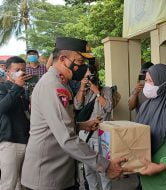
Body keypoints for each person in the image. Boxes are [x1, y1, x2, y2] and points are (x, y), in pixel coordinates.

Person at [21, 37, 127, 190]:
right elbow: (67, 138)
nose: (82, 67)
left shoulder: (60, 82)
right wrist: (106, 166)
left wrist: (82, 125)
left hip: (58, 174)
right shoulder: (53, 85)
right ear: (63, 59)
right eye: (79, 62)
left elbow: (56, 125)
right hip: (47, 176)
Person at [75, 64, 113, 190]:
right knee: (88, 170)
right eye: (87, 76)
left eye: (91, 75)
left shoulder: (106, 90)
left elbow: (108, 107)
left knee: (103, 169)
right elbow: (77, 106)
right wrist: (82, 88)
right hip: (85, 134)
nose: (89, 78)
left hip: (101, 135)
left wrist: (97, 91)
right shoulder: (84, 90)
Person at [0, 56, 31, 190]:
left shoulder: (24, 90)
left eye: (23, 70)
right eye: (17, 69)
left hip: (25, 140)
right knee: (9, 184)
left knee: (23, 184)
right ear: (7, 71)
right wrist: (17, 87)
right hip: (9, 141)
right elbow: (2, 108)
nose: (21, 72)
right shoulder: (2, 88)